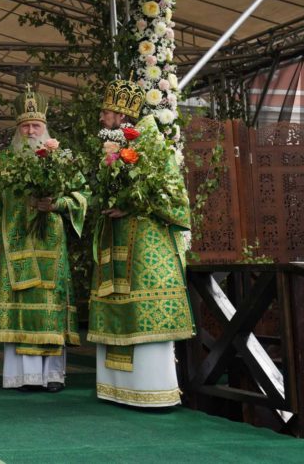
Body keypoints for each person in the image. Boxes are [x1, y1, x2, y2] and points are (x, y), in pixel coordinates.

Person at [0, 87, 87, 392]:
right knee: (20, 306)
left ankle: (52, 376)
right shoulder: (2, 162)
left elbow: (84, 197)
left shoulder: (62, 159)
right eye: (25, 126)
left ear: (44, 127)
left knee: (50, 305)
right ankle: (22, 376)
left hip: (51, 244)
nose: (30, 130)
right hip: (13, 244)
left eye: (35, 125)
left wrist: (58, 204)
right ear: (17, 129)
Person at [87, 78, 194, 407]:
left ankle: (151, 390)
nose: (102, 117)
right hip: (118, 234)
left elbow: (170, 193)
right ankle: (118, 388)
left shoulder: (150, 140)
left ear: (122, 115)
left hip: (146, 240)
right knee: (119, 302)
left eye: (106, 111)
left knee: (141, 306)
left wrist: (131, 204)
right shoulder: (113, 143)